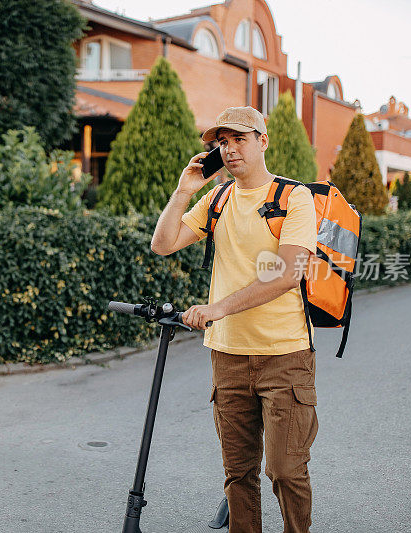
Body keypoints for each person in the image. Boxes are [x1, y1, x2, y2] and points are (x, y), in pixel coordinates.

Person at [150, 106, 319, 533]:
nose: (229, 149)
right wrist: (184, 189)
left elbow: (286, 275)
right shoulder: (218, 198)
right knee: (238, 474)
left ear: (263, 141)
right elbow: (163, 244)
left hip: (285, 355)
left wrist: (217, 309)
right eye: (222, 142)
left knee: (284, 470)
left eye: (239, 139)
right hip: (228, 356)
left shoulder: (293, 197)